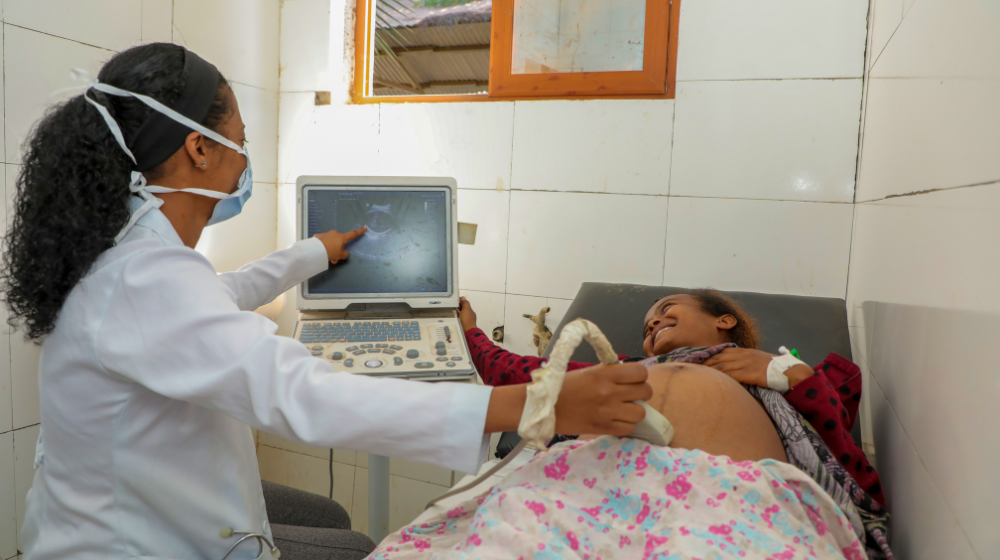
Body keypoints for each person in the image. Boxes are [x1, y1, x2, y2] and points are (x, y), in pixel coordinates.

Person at [1, 44, 653, 560]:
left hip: (135, 508)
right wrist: (537, 403)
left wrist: (314, 253)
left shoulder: (134, 260)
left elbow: (218, 295)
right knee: (354, 542)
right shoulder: (145, 279)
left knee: (329, 518)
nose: (245, 157)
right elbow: (304, 394)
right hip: (129, 544)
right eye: (241, 142)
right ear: (199, 149)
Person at [458, 290, 885, 506]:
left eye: (666, 308)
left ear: (724, 319)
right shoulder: (624, 374)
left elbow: (841, 467)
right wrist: (470, 329)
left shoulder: (780, 374)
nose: (653, 324)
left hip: (733, 505)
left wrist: (793, 375)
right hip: (605, 495)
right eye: (646, 328)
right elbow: (513, 374)